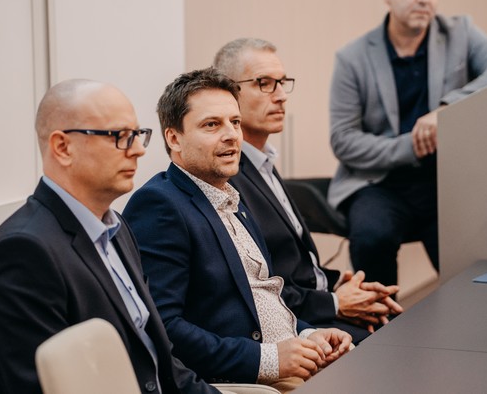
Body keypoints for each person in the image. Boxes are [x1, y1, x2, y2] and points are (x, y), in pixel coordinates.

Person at [0, 79, 220, 394]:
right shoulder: (23, 252)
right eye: (120, 137)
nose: (139, 150)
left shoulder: (116, 228)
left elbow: (162, 364)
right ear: (63, 147)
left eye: (138, 135)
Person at [123, 68, 351, 393]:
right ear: (174, 138)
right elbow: (163, 328)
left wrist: (308, 335)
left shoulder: (232, 198)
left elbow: (263, 296)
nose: (231, 135)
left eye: (235, 122)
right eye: (212, 125)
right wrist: (268, 359)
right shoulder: (160, 205)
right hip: (240, 379)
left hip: (288, 360)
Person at [328, 0, 487, 287]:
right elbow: (343, 140)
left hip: (446, 181)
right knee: (372, 237)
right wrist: (411, 146)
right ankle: (381, 317)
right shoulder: (352, 57)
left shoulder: (460, 32)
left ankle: (468, 317)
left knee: (475, 261)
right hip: (379, 184)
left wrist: (446, 111)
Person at [213, 38, 403, 344]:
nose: (280, 96)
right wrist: (336, 303)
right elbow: (257, 287)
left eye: (282, 83)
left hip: (314, 303)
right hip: (292, 323)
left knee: (400, 326)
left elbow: (295, 267)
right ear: (228, 92)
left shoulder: (263, 162)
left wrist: (340, 284)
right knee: (393, 343)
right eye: (264, 83)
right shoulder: (228, 177)